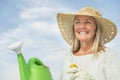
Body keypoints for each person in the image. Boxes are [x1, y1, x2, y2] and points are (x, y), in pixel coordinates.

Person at [57, 7, 120, 80]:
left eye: (87, 22)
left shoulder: (108, 56)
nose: (82, 26)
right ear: (73, 28)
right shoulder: (68, 58)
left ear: (96, 28)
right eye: (78, 22)